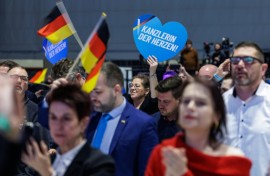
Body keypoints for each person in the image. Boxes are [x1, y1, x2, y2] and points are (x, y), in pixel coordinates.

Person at [145, 78, 251, 176]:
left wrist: (183, 173)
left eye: (200, 103)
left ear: (216, 114)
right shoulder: (163, 153)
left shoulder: (234, 160)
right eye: (186, 101)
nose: (190, 107)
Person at [22, 83, 115, 176]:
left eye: (66, 119)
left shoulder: (100, 164)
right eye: (53, 118)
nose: (58, 126)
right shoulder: (47, 160)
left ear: (83, 123)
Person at [87, 62, 158, 176]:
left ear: (116, 90)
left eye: (98, 92)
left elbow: (148, 171)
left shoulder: (143, 124)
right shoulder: (90, 119)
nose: (93, 97)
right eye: (92, 91)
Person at [223, 41, 269, 176]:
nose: (240, 65)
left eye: (249, 60)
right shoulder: (219, 104)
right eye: (235, 60)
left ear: (263, 69)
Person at [152, 76, 182, 142]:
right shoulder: (152, 123)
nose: (160, 106)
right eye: (159, 100)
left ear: (179, 100)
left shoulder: (190, 125)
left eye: (166, 102)